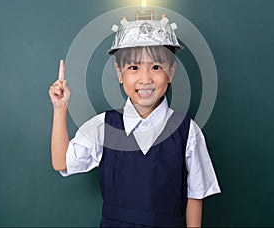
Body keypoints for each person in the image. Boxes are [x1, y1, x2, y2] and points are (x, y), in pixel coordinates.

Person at [48, 15, 221, 227]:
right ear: (119, 73)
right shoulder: (104, 126)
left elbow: (196, 195)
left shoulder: (187, 131)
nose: (145, 78)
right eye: (134, 68)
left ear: (171, 72)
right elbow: (61, 162)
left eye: (156, 67)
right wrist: (60, 109)